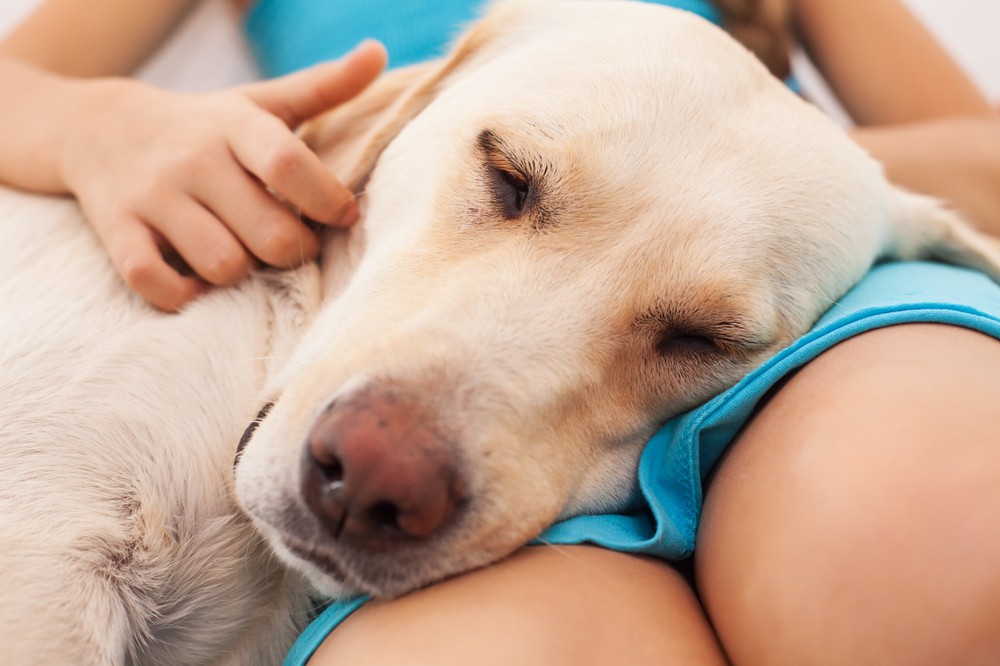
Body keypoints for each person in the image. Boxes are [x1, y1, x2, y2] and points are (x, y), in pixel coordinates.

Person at [2, 1, 999, 664]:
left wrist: (759, 173)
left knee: (920, 551)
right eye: (511, 182)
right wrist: (98, 124)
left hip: (795, 288)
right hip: (360, 207)